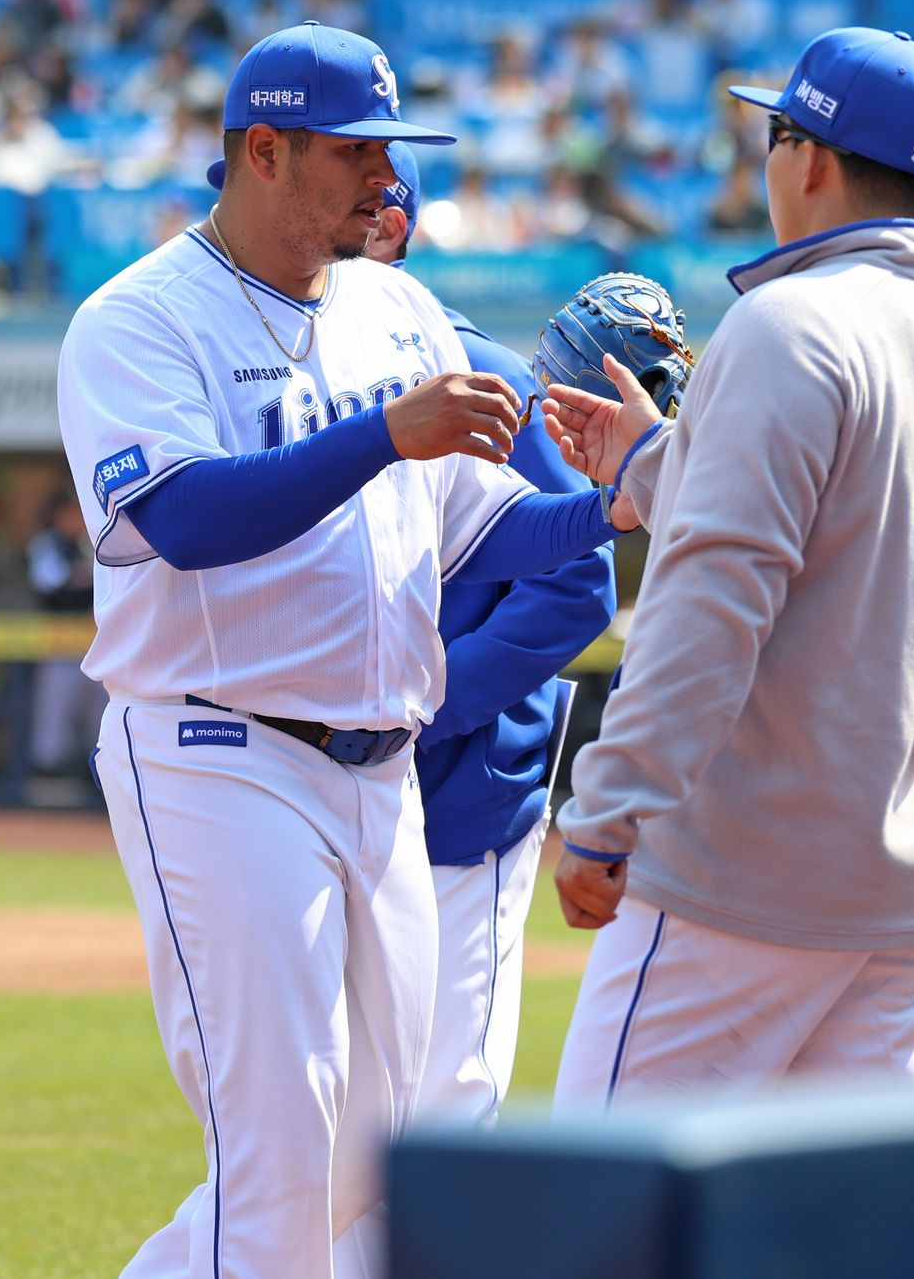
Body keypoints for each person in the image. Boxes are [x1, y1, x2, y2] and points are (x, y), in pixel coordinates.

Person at [57, 22, 651, 1278]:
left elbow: (486, 528)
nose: (386, 175)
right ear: (263, 150)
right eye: (355, 149)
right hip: (222, 751)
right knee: (282, 1155)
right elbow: (184, 518)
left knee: (377, 1156)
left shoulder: (396, 306)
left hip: (381, 777)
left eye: (391, 148)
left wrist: (609, 507)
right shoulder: (137, 319)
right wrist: (384, 433)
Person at [542, 27, 914, 1105]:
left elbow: (713, 596)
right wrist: (654, 462)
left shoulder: (788, 321)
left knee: (603, 1199)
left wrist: (608, 806)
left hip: (744, 878)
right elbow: (836, 548)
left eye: (774, 135)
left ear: (810, 158)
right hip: (900, 891)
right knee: (825, 1205)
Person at [361, 144, 619, 1125]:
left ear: (388, 226)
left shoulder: (483, 374)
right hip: (324, 782)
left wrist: (425, 705)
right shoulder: (289, 372)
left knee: (444, 1105)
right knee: (323, 1112)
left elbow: (578, 582)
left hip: (463, 786)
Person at [26, 489, 104, 779]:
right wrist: (81, 576)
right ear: (59, 514)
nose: (77, 518)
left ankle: (93, 773)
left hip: (91, 642)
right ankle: (47, 775)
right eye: (71, 512)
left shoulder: (87, 541)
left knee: (98, 710)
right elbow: (51, 584)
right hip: (58, 642)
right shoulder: (46, 543)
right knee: (54, 714)